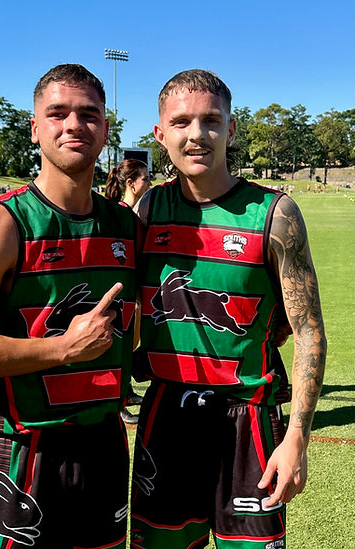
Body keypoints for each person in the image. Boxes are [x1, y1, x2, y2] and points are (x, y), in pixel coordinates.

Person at [0, 63, 141, 549]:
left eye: (89, 114)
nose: (74, 124)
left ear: (106, 130)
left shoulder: (127, 227)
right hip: (24, 449)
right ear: (35, 129)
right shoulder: (1, 222)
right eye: (58, 112)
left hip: (105, 445)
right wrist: (63, 350)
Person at [130, 69, 326, 549]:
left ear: (231, 129)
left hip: (249, 421)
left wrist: (297, 439)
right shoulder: (148, 212)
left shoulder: (275, 214)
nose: (196, 135)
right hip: (166, 418)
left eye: (211, 120)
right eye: (180, 122)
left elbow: (309, 332)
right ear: (160, 135)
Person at [105, 158, 151, 424]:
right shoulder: (120, 214)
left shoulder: (136, 213)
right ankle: (117, 403)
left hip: (133, 293)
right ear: (131, 184)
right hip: (121, 295)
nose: (150, 182)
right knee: (120, 346)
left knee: (129, 345)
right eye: (145, 178)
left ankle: (127, 391)